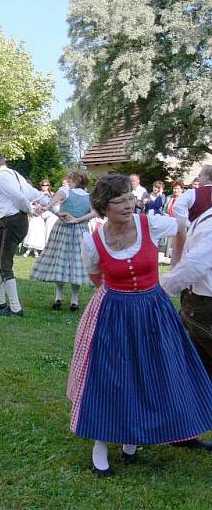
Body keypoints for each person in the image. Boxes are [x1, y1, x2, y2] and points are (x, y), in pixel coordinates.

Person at [67, 174, 212, 476]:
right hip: (113, 311)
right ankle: (101, 442)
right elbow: (96, 276)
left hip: (153, 309)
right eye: (119, 200)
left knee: (152, 370)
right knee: (109, 374)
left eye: (130, 198)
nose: (127, 205)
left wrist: (176, 264)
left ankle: (133, 437)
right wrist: (115, 295)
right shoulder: (92, 241)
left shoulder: (151, 224)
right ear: (103, 207)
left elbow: (181, 227)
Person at [161, 202, 212, 451]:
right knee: (192, 370)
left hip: (203, 304)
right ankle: (183, 431)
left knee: (195, 370)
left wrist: (165, 287)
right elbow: (194, 262)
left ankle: (183, 431)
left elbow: (195, 263)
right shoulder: (208, 218)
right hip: (201, 304)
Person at [0, 151, 50, 316]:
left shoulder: (1, 177)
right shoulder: (14, 174)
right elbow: (32, 193)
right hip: (11, 222)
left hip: (13, 222)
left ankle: (15, 307)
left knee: (4, 263)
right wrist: (48, 204)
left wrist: (31, 209)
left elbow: (20, 197)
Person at [30, 171, 94, 311]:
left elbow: (55, 199)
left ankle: (59, 297)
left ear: (76, 180)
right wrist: (76, 219)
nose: (68, 181)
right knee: (77, 264)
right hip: (81, 231)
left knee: (60, 261)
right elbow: (94, 213)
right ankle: (74, 300)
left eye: (71, 179)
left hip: (63, 229)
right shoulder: (89, 197)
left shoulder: (66, 191)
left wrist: (50, 208)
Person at [22, 180, 55, 258]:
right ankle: (31, 251)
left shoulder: (52, 194)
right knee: (33, 233)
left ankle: (44, 251)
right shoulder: (38, 194)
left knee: (43, 234)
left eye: (46, 185)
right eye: (43, 185)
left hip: (47, 216)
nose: (45, 187)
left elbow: (53, 205)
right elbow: (32, 203)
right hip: (37, 215)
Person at [163, 181, 184, 259]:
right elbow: (164, 210)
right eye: (174, 188)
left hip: (180, 222)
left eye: (178, 188)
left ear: (181, 189)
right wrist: (167, 217)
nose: (176, 190)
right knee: (169, 239)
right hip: (170, 221)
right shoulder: (169, 198)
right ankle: (169, 255)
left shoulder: (184, 198)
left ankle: (177, 255)